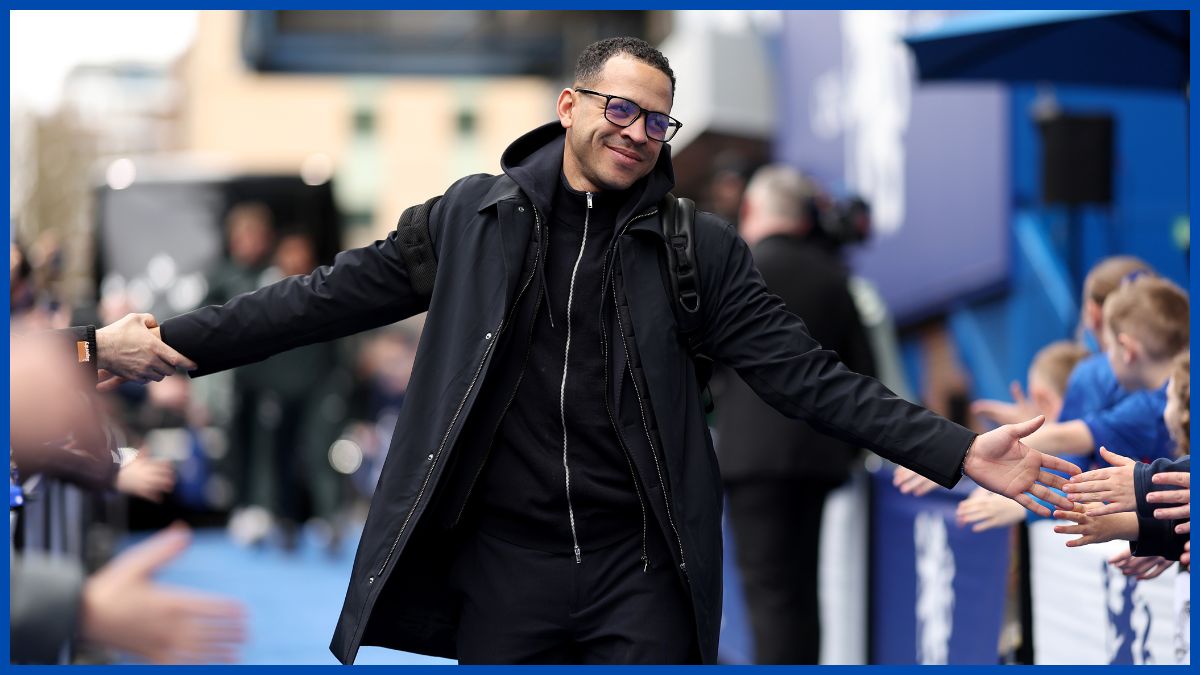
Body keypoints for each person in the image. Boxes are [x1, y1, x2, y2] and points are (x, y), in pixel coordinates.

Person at [112, 37, 1077, 664]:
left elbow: (805, 373)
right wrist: (166, 345)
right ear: (570, 105)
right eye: (621, 110)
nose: (638, 133)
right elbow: (320, 300)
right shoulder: (469, 219)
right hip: (502, 568)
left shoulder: (699, 248)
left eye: (657, 121)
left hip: (641, 569)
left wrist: (955, 448)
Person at [713, 164, 875, 664]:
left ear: (751, 209)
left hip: (751, 461)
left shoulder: (737, 267)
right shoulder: (835, 277)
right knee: (804, 592)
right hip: (818, 458)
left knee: (769, 595)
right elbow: (862, 370)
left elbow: (704, 363)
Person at [1022, 276, 1187, 462]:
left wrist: (1002, 444)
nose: (1106, 359)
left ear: (1127, 350)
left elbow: (1061, 438)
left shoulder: (1147, 410)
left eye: (1109, 348)